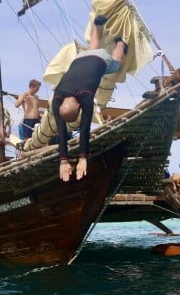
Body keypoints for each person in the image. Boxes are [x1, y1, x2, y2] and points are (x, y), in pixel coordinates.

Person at [52, 16, 126, 182]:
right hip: (80, 59)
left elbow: (82, 129)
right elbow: (67, 130)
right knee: (93, 47)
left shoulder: (85, 97)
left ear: (79, 107)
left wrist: (83, 158)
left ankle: (121, 44)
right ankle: (97, 26)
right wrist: (64, 160)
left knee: (117, 63)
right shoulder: (57, 96)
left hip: (101, 60)